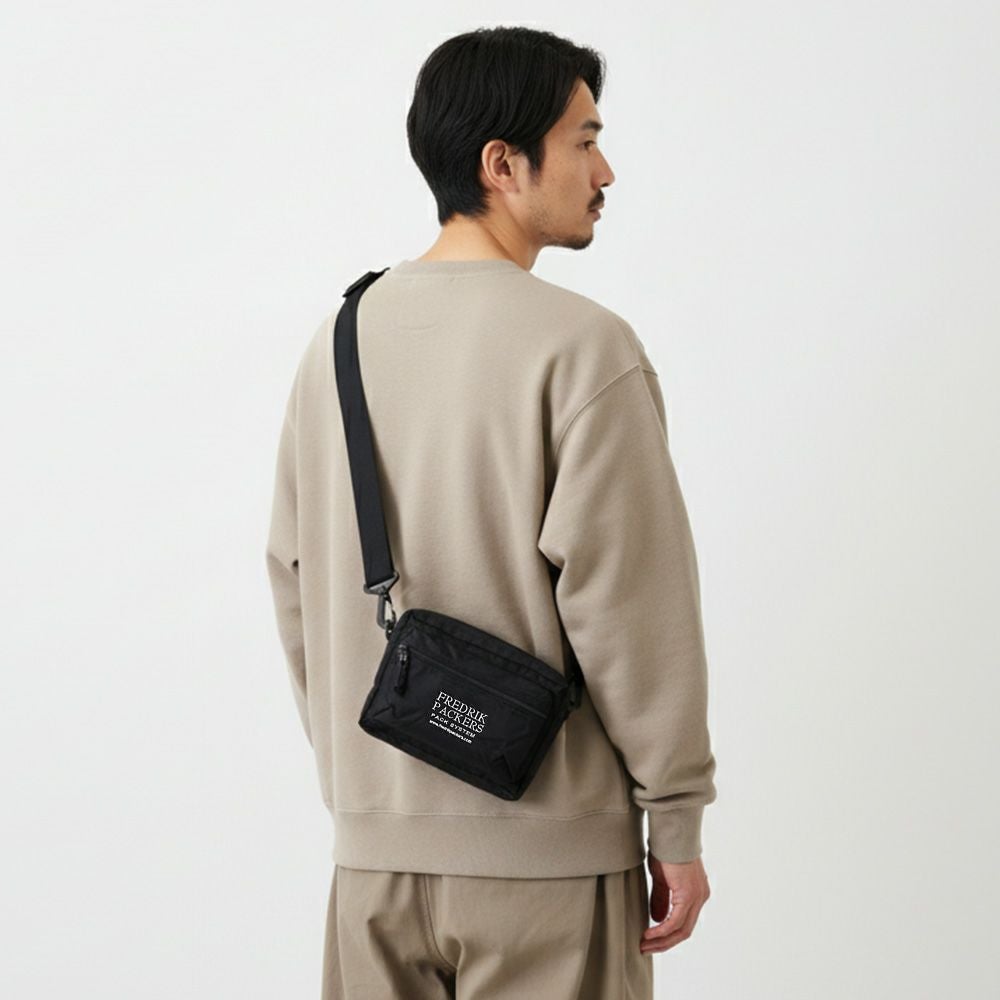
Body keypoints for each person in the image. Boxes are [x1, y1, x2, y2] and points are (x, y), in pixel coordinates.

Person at [265, 25, 718, 1000]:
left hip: (374, 869)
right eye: (584, 141)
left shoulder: (338, 341)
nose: (605, 171)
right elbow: (632, 608)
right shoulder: (583, 349)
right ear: (502, 164)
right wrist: (676, 820)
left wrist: (370, 785)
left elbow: (295, 579)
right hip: (548, 866)